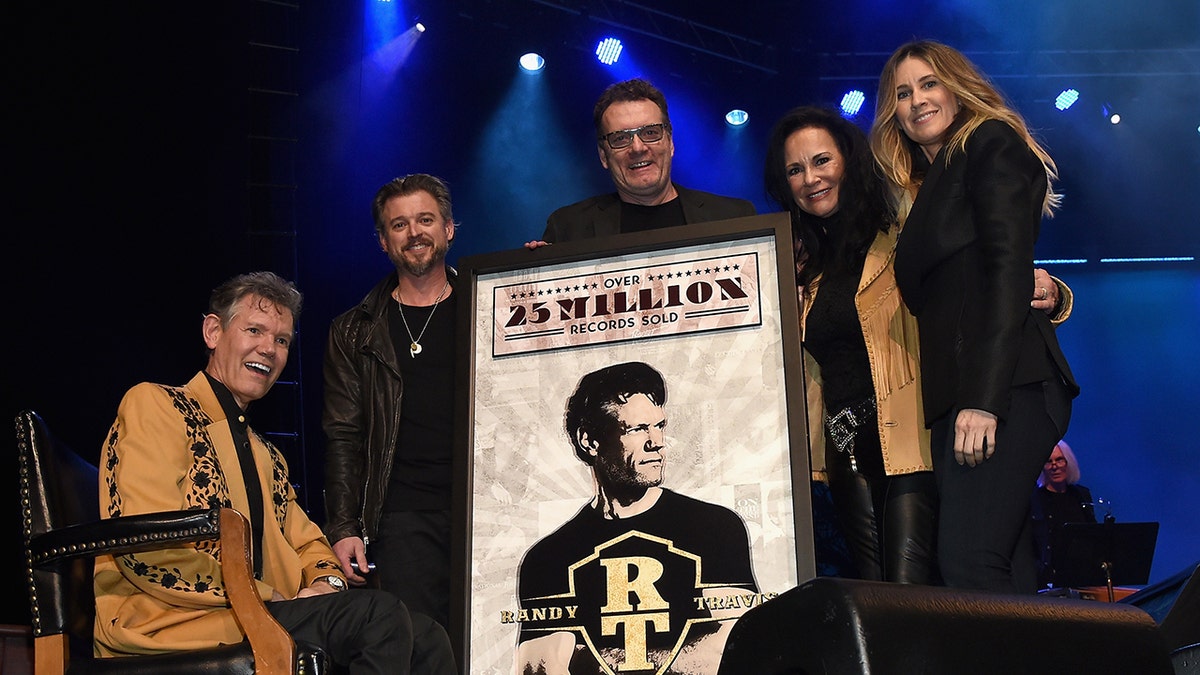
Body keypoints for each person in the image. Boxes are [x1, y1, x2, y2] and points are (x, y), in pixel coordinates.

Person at [764, 107, 1073, 585]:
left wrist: (1053, 293)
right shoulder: (800, 264)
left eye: (822, 161)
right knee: (875, 596)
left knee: (919, 591)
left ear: (849, 160)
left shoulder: (903, 224)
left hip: (908, 436)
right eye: (795, 169)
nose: (811, 178)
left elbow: (986, 269)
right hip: (844, 450)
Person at [94, 271, 430, 673]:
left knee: (427, 636)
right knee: (379, 615)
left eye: (282, 339)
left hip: (258, 614)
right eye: (255, 329)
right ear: (213, 331)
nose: (268, 348)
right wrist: (271, 597)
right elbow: (147, 540)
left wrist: (329, 585)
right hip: (168, 622)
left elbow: (310, 544)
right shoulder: (156, 404)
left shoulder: (266, 454)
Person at [871, 40, 1080, 593]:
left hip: (1003, 390)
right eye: (902, 93)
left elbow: (1008, 266)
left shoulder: (989, 141)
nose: (917, 100)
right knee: (1004, 570)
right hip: (962, 397)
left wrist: (983, 401)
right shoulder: (929, 184)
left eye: (929, 84)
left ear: (957, 86)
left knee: (968, 563)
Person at [514, 362, 758, 675]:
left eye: (659, 426)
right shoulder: (547, 559)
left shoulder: (714, 527)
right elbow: (540, 668)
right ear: (590, 441)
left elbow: (737, 646)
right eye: (637, 429)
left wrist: (598, 658)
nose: (656, 441)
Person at [322, 173, 460, 668]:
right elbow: (342, 434)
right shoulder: (353, 330)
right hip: (402, 516)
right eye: (398, 225)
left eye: (425, 219)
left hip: (489, 508)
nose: (413, 232)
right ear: (383, 242)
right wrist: (342, 527)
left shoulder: (489, 304)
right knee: (423, 650)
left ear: (449, 229)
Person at [525, 77, 755, 248]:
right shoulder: (568, 228)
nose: (637, 148)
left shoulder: (735, 217)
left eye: (650, 132)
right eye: (620, 138)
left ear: (670, 142)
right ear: (604, 156)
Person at [1031, 439, 1097, 589]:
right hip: (1049, 581)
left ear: (1068, 462)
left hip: (1082, 576)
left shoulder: (1081, 495)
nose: (1055, 466)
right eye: (1049, 462)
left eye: (1059, 460)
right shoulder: (1035, 500)